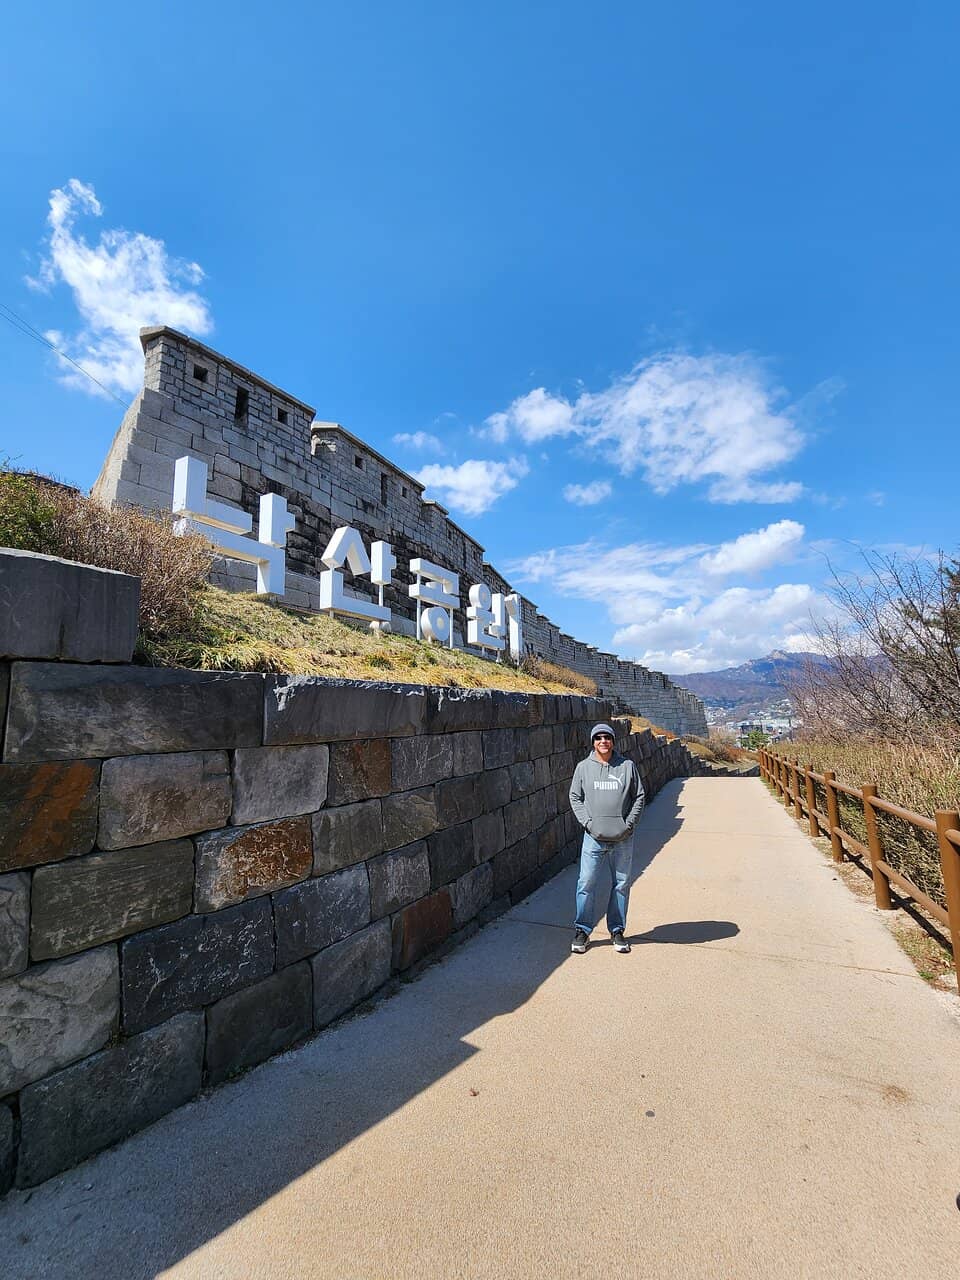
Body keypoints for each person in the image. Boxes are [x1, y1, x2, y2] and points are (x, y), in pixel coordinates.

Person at [568, 722, 645, 954]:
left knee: (621, 885)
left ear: (613, 741)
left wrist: (628, 824)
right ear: (593, 742)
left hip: (622, 838)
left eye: (607, 737)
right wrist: (588, 823)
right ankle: (582, 930)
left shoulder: (627, 766)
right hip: (593, 837)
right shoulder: (583, 767)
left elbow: (639, 796)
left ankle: (617, 930)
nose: (603, 741)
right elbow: (575, 796)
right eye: (598, 737)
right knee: (586, 883)